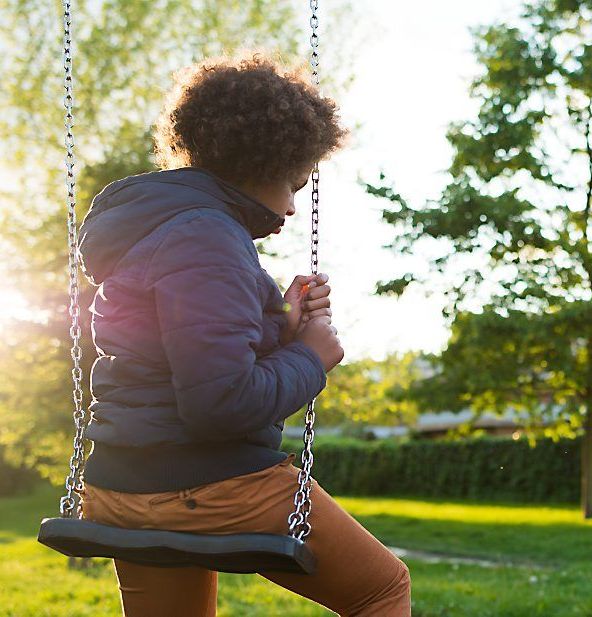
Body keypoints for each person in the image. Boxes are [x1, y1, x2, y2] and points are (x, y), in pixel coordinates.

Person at [76, 51, 411, 616]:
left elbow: (183, 353)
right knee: (381, 589)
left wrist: (280, 323)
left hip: (122, 486)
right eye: (295, 183)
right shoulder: (209, 236)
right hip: (210, 485)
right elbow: (220, 404)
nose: (293, 205)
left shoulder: (159, 229)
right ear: (266, 158)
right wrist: (312, 356)